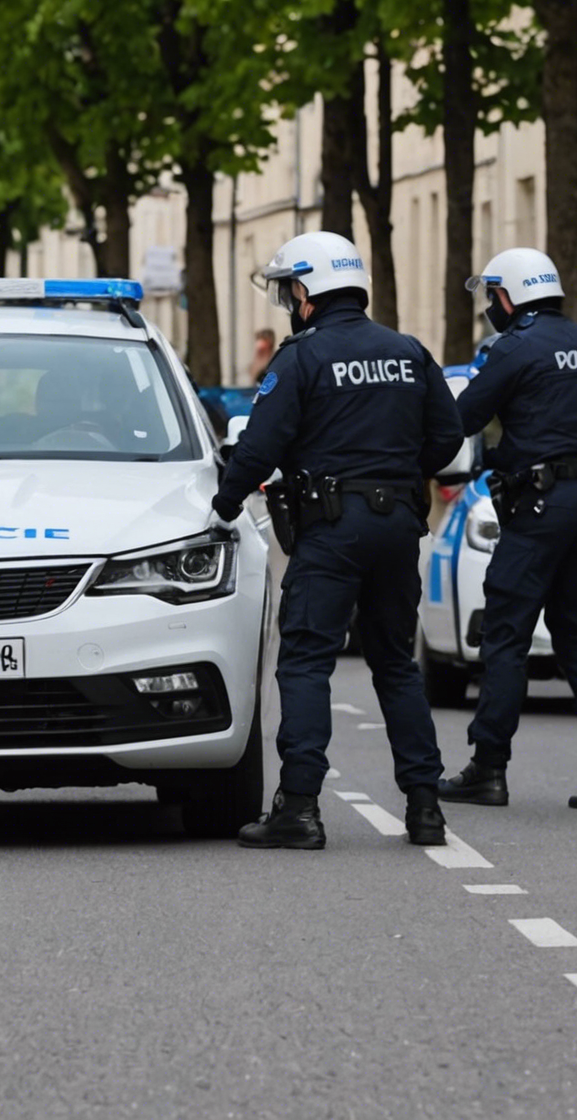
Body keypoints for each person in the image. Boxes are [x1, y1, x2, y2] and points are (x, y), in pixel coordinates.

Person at [213, 231, 464, 850]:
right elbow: (448, 437)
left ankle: (298, 808)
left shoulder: (301, 358)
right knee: (395, 665)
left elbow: (260, 447)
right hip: (398, 526)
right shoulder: (409, 351)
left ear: (306, 291)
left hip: (329, 530)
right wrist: (404, 471)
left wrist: (220, 504)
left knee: (303, 662)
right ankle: (425, 806)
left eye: (289, 290)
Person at [439, 247, 577, 811]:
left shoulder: (514, 347)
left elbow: (463, 419)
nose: (490, 311)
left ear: (510, 297)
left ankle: (487, 767)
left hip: (540, 504)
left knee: (506, 634)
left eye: (492, 300)